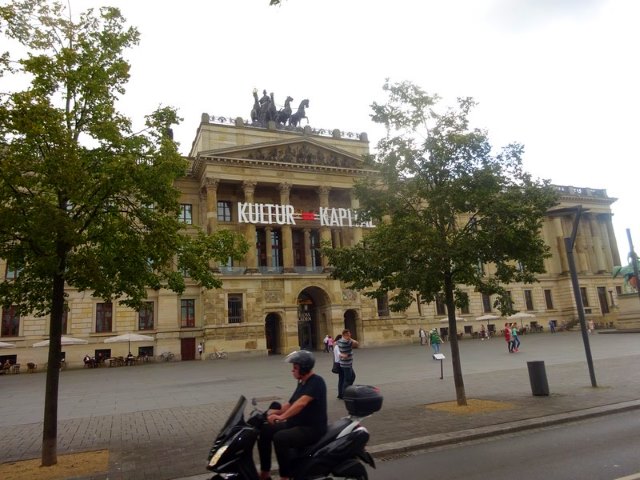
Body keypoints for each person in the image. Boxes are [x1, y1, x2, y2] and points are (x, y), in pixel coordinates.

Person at [258, 350, 327, 480]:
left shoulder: (317, 382)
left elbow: (301, 403)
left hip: (312, 429)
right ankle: (264, 473)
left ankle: (285, 476)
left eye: (295, 367)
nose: (292, 370)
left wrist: (281, 417)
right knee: (265, 429)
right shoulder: (302, 382)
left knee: (280, 438)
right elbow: (291, 404)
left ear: (304, 368)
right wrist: (273, 413)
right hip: (297, 424)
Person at [336, 329, 359, 399]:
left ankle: (343, 393)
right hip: (346, 364)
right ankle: (345, 394)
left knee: (351, 377)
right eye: (348, 335)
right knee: (347, 379)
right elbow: (357, 343)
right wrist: (350, 339)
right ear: (344, 335)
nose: (350, 336)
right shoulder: (347, 342)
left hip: (344, 363)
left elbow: (335, 343)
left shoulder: (339, 341)